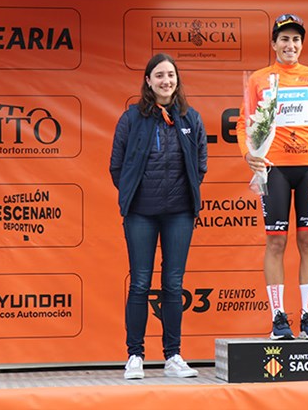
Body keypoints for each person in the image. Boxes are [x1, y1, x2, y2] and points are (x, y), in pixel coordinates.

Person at [237, 13, 308, 341]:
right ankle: (278, 318)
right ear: (274, 44)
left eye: (295, 39)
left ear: (301, 44)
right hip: (273, 168)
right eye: (284, 39)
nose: (290, 45)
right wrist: (248, 153)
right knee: (276, 241)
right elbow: (243, 123)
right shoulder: (259, 79)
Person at [110, 53, 208, 380]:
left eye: (171, 75)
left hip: (179, 213)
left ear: (177, 80)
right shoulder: (131, 119)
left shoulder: (191, 118)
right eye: (160, 75)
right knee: (140, 283)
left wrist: (183, 193)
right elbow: (117, 166)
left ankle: (173, 357)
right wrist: (133, 194)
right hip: (141, 213)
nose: (166, 81)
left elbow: (201, 164)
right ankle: (135, 356)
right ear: (148, 81)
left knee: (173, 284)